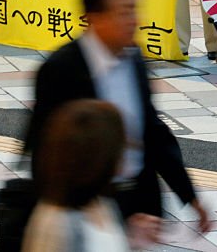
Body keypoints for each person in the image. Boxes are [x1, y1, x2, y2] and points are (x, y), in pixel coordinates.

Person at [24, 0, 211, 236]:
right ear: (94, 17)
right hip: (87, 208)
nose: (133, 20)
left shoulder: (134, 59)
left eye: (134, 9)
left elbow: (153, 131)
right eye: (123, 12)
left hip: (139, 202)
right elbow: (44, 153)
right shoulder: (61, 70)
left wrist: (190, 196)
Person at [22, 99, 142, 252]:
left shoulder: (100, 202)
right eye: (119, 150)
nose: (124, 158)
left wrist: (132, 241)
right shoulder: (59, 223)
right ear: (99, 160)